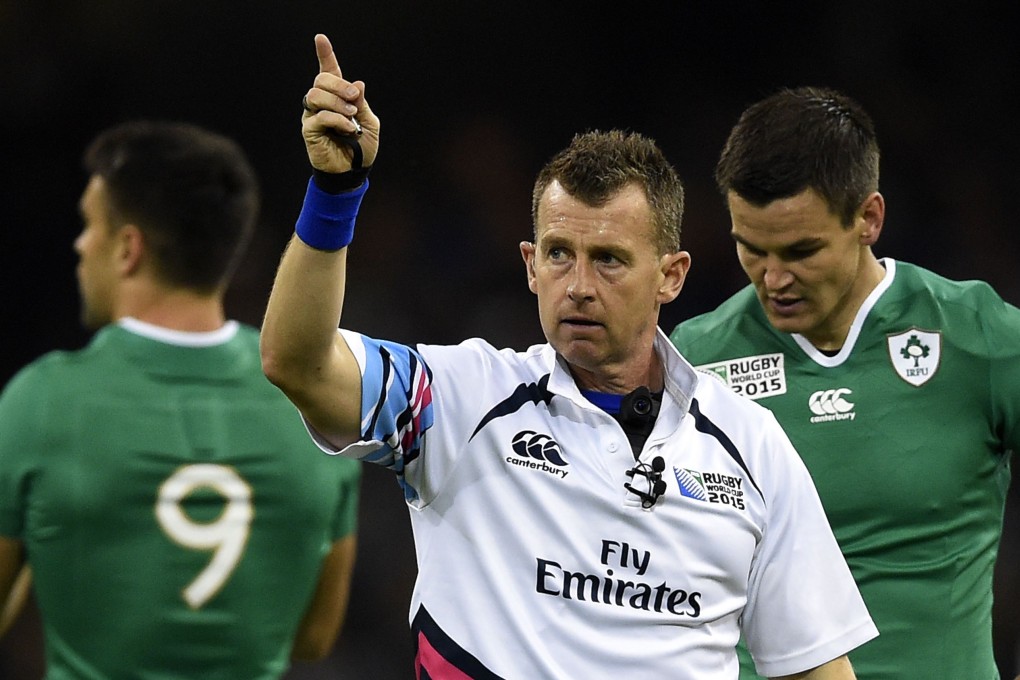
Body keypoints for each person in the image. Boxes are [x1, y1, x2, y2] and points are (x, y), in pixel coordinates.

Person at [260, 34, 878, 679]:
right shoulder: (458, 399)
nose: (578, 284)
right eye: (559, 254)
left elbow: (815, 668)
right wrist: (335, 193)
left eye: (608, 259)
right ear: (530, 265)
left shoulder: (751, 444)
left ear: (671, 275)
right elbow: (296, 363)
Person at [669, 86, 1020, 680]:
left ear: (869, 218)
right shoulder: (697, 359)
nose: (773, 278)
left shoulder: (977, 337)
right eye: (750, 250)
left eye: (801, 251)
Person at [0, 120, 362, 679]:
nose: (79, 245)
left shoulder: (42, 402)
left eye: (88, 225)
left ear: (127, 249)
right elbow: (312, 638)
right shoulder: (312, 403)